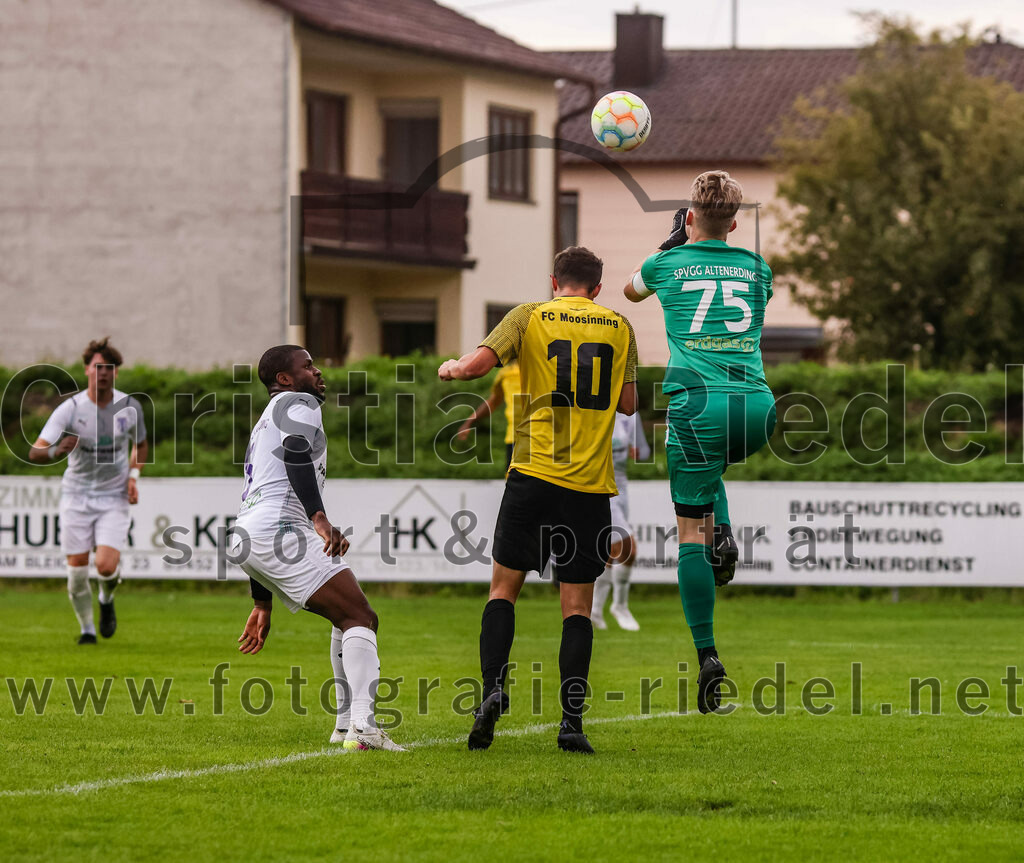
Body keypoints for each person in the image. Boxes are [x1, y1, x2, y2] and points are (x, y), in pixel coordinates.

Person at [439, 246, 638, 754]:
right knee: (576, 606)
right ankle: (571, 723)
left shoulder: (528, 316)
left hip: (531, 474)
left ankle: (492, 692)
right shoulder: (619, 326)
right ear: (597, 286)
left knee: (503, 591)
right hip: (588, 483)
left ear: (555, 280)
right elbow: (630, 403)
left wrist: (452, 368)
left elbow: (476, 367)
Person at [624, 171, 776, 714]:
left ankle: (708, 655)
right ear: (734, 222)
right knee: (714, 475)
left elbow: (629, 290)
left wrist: (671, 245)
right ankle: (727, 532)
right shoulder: (758, 268)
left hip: (695, 405)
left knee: (690, 533)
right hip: (757, 408)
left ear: (688, 216)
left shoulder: (666, 262)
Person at [232, 345, 404, 751]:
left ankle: (346, 726)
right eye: (307, 366)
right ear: (285, 379)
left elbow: (250, 500)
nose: (318, 371)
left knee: (345, 617)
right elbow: (295, 454)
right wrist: (319, 517)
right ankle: (363, 729)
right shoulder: (300, 401)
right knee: (360, 615)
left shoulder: (263, 422)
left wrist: (262, 602)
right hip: (282, 527)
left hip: (250, 532)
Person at [30, 338, 148, 645]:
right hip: (77, 497)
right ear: (87, 370)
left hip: (113, 496)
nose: (103, 373)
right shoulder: (69, 409)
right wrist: (57, 450)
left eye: (109, 368)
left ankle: (107, 599)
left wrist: (134, 476)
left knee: (106, 567)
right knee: (76, 575)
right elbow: (35, 452)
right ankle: (87, 630)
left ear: (116, 373)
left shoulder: (129, 407)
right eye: (98, 368)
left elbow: (142, 445)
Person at [592, 410, 650, 631]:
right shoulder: (592, 408)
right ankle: (620, 605)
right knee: (628, 547)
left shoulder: (628, 414)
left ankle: (595, 610)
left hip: (622, 487)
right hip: (600, 486)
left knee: (610, 551)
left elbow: (643, 451)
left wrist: (638, 451)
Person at [456, 361, 521, 470]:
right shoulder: (505, 374)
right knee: (514, 483)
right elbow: (493, 402)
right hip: (514, 438)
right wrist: (468, 423)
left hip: (543, 439)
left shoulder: (541, 369)